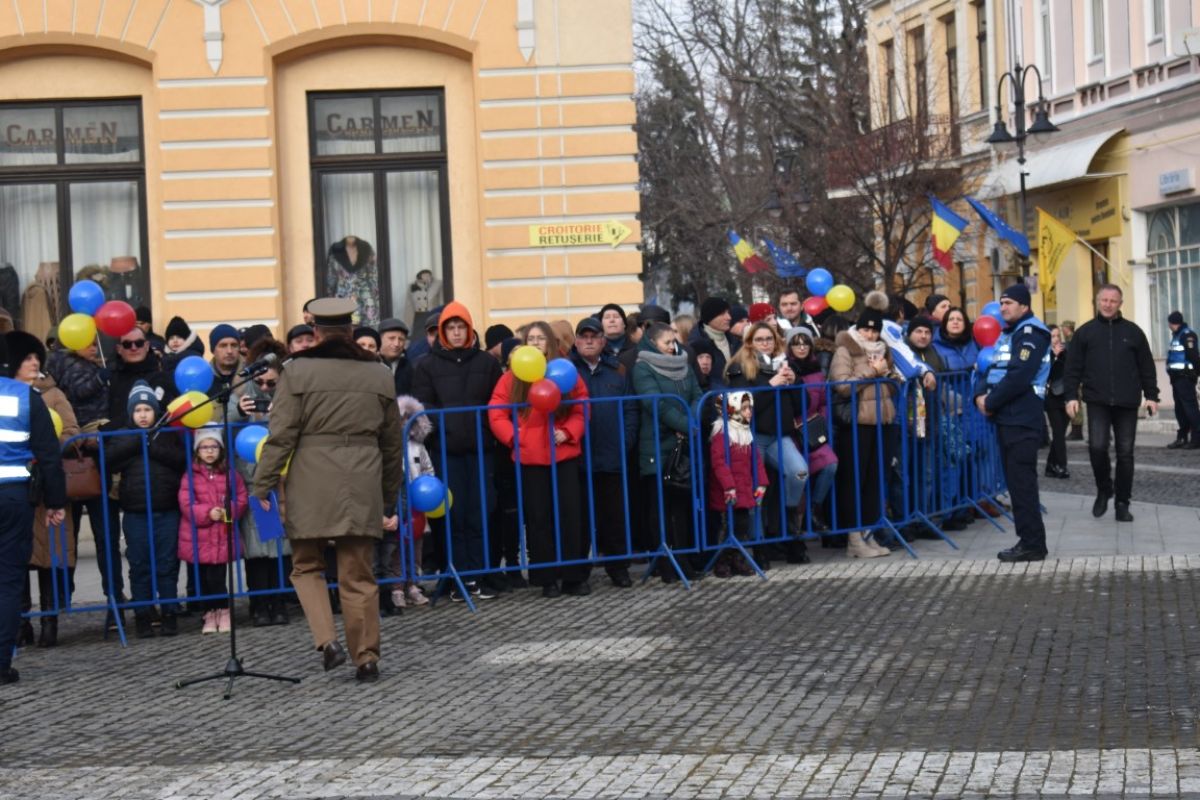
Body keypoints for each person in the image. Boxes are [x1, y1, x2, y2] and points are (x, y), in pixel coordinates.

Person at [252, 298, 404, 683]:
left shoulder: (296, 371)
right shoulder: (379, 373)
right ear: (351, 331)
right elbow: (392, 444)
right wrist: (388, 494)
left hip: (311, 478)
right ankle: (366, 658)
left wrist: (262, 484)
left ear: (316, 332)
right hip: (362, 478)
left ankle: (327, 641)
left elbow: (281, 435)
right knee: (358, 573)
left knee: (306, 566)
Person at [489, 322, 590, 598]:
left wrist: (568, 432)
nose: (535, 343)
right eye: (530, 338)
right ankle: (546, 578)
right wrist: (514, 436)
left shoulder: (565, 370)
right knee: (538, 518)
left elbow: (581, 406)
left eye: (540, 338)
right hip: (530, 456)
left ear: (550, 343)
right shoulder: (513, 375)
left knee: (570, 514)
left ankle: (573, 576)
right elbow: (496, 411)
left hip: (564, 453)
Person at [410, 301, 502, 602]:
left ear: (470, 329)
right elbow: (423, 405)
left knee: (481, 511)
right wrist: (445, 424)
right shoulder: (426, 365)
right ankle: (457, 577)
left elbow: (496, 403)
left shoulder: (486, 363)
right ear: (442, 332)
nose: (457, 332)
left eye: (461, 326)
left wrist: (483, 428)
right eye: (451, 328)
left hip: (480, 450)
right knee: (453, 514)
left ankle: (481, 574)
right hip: (445, 450)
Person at [0, 333, 66, 685]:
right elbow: (49, 454)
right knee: (9, 580)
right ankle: (1, 664)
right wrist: (55, 502)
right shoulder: (26, 397)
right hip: (12, 496)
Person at [1063, 284, 1159, 522]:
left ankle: (1122, 502)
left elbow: (1146, 366)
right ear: (1098, 301)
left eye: (1113, 301)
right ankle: (1104, 488)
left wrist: (1152, 395)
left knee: (1125, 453)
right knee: (1097, 447)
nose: (1108, 304)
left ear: (1120, 304)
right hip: (1097, 400)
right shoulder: (1085, 333)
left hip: (1127, 402)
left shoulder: (1133, 332)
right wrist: (1071, 396)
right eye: (1104, 300)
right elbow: (1072, 368)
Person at [8, 331, 79, 648]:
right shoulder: (12, 395)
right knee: (17, 562)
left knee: (50, 557)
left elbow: (71, 434)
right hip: (20, 490)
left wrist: (46, 442)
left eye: (37, 357)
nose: (34, 363)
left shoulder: (52, 394)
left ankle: (50, 620)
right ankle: (21, 622)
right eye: (27, 358)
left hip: (46, 488)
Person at [975, 283, 1052, 562]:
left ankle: (1032, 543)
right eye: (1001, 303)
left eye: (1008, 303)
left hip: (1022, 416)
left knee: (1022, 482)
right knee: (1016, 481)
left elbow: (1020, 375)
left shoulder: (1031, 333)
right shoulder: (1009, 334)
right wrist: (978, 396)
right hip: (1008, 415)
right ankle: (1028, 540)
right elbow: (991, 368)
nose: (1003, 307)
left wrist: (991, 402)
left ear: (1024, 306)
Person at [106, 381, 187, 638]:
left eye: (148, 409)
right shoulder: (121, 435)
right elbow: (108, 460)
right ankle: (142, 615)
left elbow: (181, 460)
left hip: (167, 509)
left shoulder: (167, 433)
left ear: (155, 411)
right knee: (139, 565)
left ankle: (169, 612)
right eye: (138, 410)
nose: (143, 415)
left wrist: (152, 445)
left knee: (167, 564)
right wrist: (137, 442)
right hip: (135, 511)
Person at [724, 322, 809, 549]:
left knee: (799, 472)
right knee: (756, 489)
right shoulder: (740, 367)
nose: (765, 343)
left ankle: (789, 522)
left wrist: (795, 382)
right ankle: (758, 542)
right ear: (750, 343)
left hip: (780, 436)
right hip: (754, 437)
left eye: (769, 339)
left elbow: (803, 405)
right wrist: (771, 385)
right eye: (760, 339)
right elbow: (740, 408)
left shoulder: (784, 363)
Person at [570, 316, 638, 588]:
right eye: (584, 337)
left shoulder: (617, 369)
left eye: (594, 337)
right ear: (576, 341)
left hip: (612, 455)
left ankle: (618, 568)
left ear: (602, 341)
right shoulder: (567, 370)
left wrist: (625, 441)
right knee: (580, 520)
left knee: (615, 517)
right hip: (579, 458)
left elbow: (630, 408)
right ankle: (578, 573)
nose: (589, 341)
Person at [632, 321, 703, 581]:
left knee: (680, 506)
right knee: (660, 506)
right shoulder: (643, 367)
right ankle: (665, 562)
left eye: (674, 341)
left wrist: (690, 423)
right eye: (667, 343)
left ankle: (683, 559)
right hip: (657, 444)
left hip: (683, 444)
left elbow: (697, 394)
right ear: (653, 343)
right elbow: (656, 404)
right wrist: (685, 424)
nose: (673, 347)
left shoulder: (684, 363)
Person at [828, 309, 895, 559]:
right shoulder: (845, 350)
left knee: (874, 480)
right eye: (866, 329)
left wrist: (887, 374)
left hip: (881, 421)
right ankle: (854, 538)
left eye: (875, 330)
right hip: (856, 422)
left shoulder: (883, 351)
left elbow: (893, 385)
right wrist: (873, 372)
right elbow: (842, 385)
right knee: (854, 480)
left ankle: (868, 534)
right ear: (858, 329)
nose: (870, 334)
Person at [178, 428, 247, 635]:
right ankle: (209, 613)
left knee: (218, 577)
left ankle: (223, 611)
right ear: (197, 451)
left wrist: (228, 511)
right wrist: (207, 513)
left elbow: (241, 498)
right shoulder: (190, 475)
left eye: (214, 447)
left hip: (221, 535)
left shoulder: (230, 474)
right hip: (199, 535)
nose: (209, 451)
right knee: (203, 578)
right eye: (204, 447)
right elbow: (186, 502)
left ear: (221, 449)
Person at [707, 391, 768, 578]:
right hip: (727, 492)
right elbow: (718, 462)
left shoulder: (746, 433)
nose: (749, 412)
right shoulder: (722, 434)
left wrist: (761, 483)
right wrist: (729, 486)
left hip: (743, 490)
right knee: (725, 528)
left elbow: (756, 461)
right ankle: (722, 561)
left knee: (741, 527)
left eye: (750, 408)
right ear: (732, 410)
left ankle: (738, 559)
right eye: (744, 408)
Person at [784, 327, 838, 534]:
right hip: (791, 431)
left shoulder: (817, 372)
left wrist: (820, 421)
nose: (801, 347)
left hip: (812, 429)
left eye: (805, 343)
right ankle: (794, 527)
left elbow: (824, 401)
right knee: (798, 475)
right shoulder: (784, 368)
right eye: (796, 343)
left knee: (830, 464)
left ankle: (815, 509)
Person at [393, 396, 433, 608]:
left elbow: (428, 470)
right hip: (397, 504)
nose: (405, 422)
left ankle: (413, 584)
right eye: (402, 418)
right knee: (397, 547)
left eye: (409, 418)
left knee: (416, 546)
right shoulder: (391, 448)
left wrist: (427, 485)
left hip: (417, 505)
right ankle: (397, 586)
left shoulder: (418, 447)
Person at [105, 326, 174, 431]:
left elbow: (156, 411)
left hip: (149, 437)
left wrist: (106, 428)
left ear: (147, 346)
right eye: (127, 344)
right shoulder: (110, 376)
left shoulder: (160, 377)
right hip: (114, 439)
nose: (134, 348)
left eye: (139, 343)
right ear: (119, 349)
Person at [1165, 311, 1200, 449]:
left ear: (1171, 322)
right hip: (1176, 378)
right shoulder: (1177, 335)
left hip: (1185, 377)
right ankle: (1182, 438)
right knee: (1180, 409)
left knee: (1190, 408)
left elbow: (1194, 356)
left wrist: (1196, 374)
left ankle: (1197, 438)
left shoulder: (1187, 335)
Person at [1043, 325, 1071, 478]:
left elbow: (1070, 371)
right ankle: (1061, 465)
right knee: (1058, 432)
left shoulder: (1065, 352)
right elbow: (1044, 375)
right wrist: (1053, 356)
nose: (1056, 339)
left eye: (1057, 336)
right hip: (1051, 397)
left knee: (1061, 432)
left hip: (1065, 396)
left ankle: (1050, 465)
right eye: (1052, 336)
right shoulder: (1043, 354)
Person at [689, 297, 739, 381]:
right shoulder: (695, 343)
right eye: (722, 313)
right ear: (710, 317)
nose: (729, 317)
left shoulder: (735, 339)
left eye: (728, 313)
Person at [208, 324, 243, 421]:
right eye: (223, 346)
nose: (229, 351)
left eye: (234, 345)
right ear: (213, 350)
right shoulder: (204, 379)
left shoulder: (251, 374)